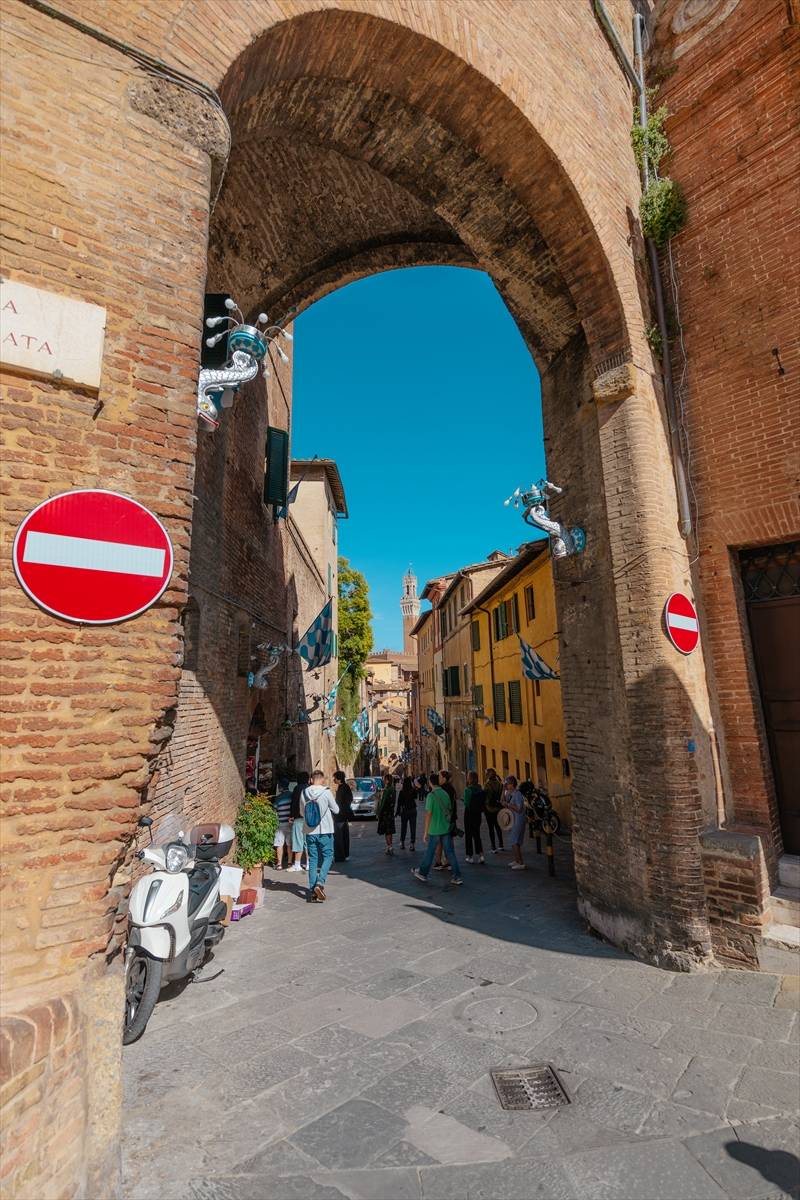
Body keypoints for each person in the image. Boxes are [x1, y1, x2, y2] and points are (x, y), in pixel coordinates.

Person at [411, 777, 463, 885]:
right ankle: (457, 876)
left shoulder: (431, 795)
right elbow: (449, 809)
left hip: (434, 829)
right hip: (445, 828)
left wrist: (425, 832)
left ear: (430, 783)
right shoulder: (445, 794)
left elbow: (428, 814)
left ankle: (423, 873)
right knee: (450, 852)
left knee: (430, 852)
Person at [300, 769, 339, 902]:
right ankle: (320, 883)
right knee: (328, 856)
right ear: (322, 780)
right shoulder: (326, 792)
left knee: (313, 859)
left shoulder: (304, 793)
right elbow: (337, 810)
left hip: (310, 831)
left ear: (311, 780)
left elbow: (302, 812)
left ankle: (312, 891)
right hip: (325, 830)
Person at [434, 770, 458, 870]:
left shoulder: (441, 790)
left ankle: (439, 862)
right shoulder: (452, 788)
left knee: (440, 841)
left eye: (439, 777)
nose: (438, 779)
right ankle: (449, 862)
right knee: (449, 840)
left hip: (443, 819)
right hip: (451, 817)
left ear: (444, 778)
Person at [501, 774, 526, 869]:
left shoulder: (517, 794)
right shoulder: (508, 793)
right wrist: (503, 790)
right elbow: (502, 801)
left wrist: (508, 805)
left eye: (507, 783)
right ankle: (517, 860)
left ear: (512, 784)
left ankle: (521, 863)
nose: (506, 785)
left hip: (518, 820)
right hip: (512, 819)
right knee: (513, 840)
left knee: (515, 841)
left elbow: (519, 808)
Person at [288, 771, 309, 872]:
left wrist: (291, 816)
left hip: (299, 818)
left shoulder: (297, 788)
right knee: (308, 842)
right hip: (309, 819)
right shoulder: (310, 788)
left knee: (298, 841)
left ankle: (297, 864)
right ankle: (309, 864)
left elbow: (294, 803)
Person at [463, 770, 485, 864]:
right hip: (478, 814)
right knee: (477, 834)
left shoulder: (467, 790)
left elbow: (466, 803)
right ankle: (481, 855)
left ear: (470, 778)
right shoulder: (480, 788)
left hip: (469, 814)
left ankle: (470, 856)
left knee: (468, 835)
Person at [271, 777, 293, 869]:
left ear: (280, 787)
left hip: (281, 823)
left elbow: (274, 809)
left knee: (279, 844)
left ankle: (279, 864)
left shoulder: (278, 798)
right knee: (289, 844)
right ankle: (289, 863)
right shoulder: (292, 795)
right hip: (291, 823)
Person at [332, 770, 353, 863]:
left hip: (339, 816)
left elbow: (339, 803)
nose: (334, 780)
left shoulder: (341, 788)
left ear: (339, 779)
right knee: (345, 836)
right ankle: (346, 854)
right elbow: (350, 799)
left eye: (335, 778)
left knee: (339, 837)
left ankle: (340, 856)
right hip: (345, 816)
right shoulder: (346, 787)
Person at [483, 768, 505, 853]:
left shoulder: (487, 785)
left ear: (488, 775)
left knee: (491, 828)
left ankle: (493, 847)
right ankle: (501, 845)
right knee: (498, 827)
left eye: (486, 773)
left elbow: (485, 797)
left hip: (489, 809)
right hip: (498, 808)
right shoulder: (500, 784)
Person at [396, 776, 418, 850]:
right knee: (413, 827)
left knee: (404, 827)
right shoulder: (413, 790)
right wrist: (414, 787)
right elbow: (416, 796)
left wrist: (397, 812)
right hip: (412, 810)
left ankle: (402, 843)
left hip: (405, 811)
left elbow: (399, 803)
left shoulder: (402, 792)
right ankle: (412, 844)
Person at [376, 772, 396, 854]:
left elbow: (383, 803)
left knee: (387, 831)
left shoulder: (387, 790)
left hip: (385, 814)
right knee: (390, 831)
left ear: (387, 780)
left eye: (384, 779)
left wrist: (378, 813)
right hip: (390, 812)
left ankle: (389, 847)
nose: (383, 781)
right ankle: (390, 846)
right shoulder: (392, 788)